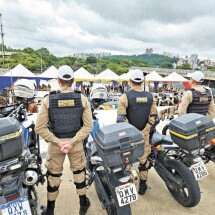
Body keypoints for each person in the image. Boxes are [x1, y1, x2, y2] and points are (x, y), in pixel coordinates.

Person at [35, 65, 93, 215]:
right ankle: (83, 204)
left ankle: (50, 210)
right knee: (79, 172)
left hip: (56, 144)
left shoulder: (48, 100)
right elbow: (87, 127)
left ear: (59, 81)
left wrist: (59, 142)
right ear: (73, 80)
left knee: (53, 175)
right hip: (76, 144)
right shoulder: (82, 99)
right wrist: (72, 141)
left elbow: (39, 128)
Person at [117, 69, 158, 195]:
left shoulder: (125, 97)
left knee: (126, 160)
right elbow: (154, 116)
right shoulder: (150, 97)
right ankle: (143, 185)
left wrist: (133, 131)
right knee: (144, 159)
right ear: (142, 82)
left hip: (129, 137)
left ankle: (128, 187)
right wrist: (145, 130)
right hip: (144, 135)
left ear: (130, 81)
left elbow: (121, 119)